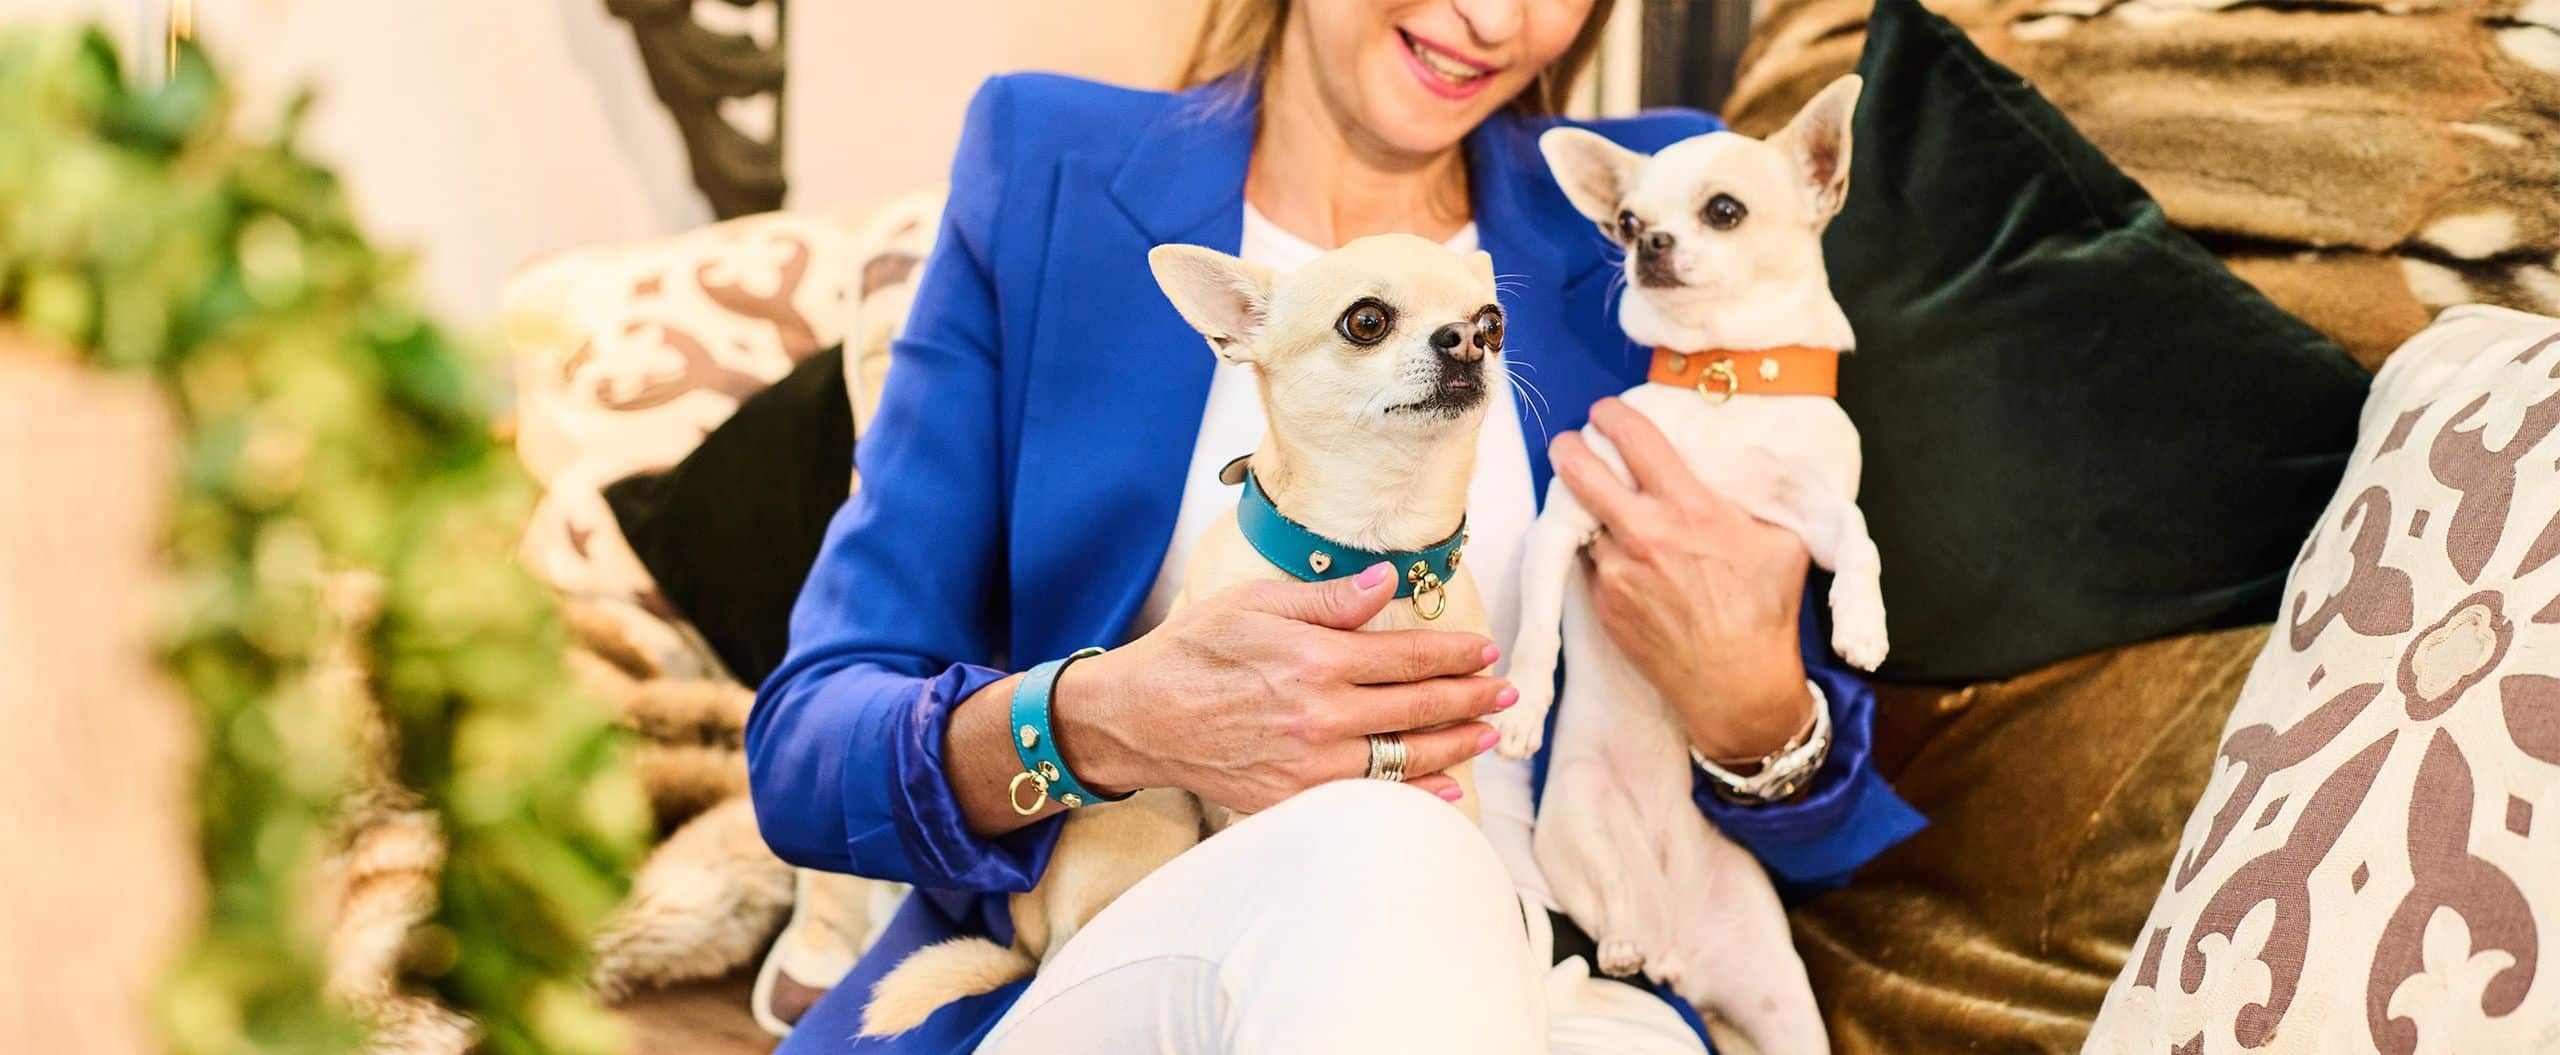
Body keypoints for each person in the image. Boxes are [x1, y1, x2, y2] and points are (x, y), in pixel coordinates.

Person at [748, 1, 1925, 1050]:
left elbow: (1833, 826)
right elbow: (806, 749)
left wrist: (1749, 699)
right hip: (1142, 950)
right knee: (1385, 847)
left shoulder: (1644, 217)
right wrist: (1104, 720)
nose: (1491, 19)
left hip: (1556, 968)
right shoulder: (1047, 162)